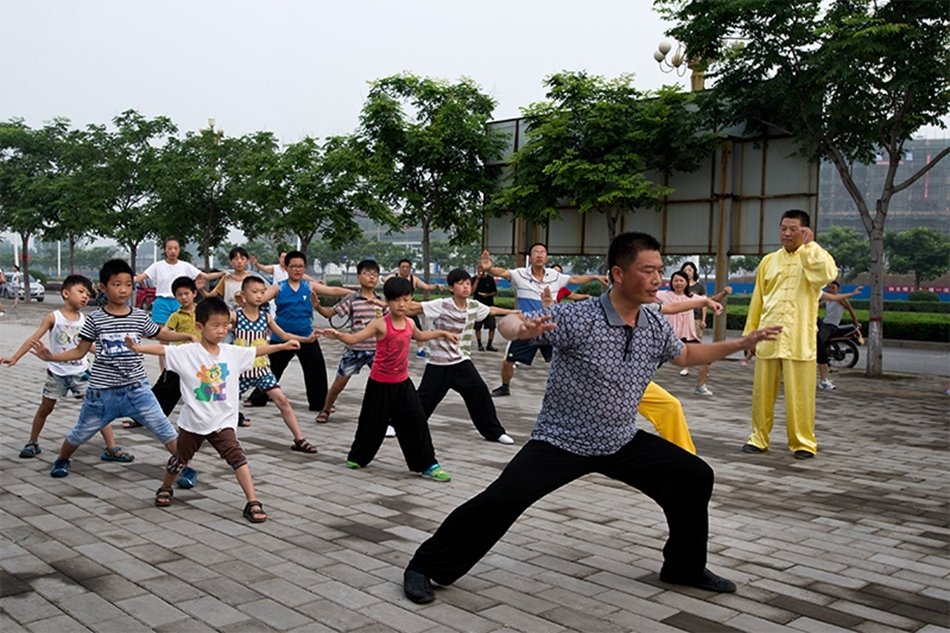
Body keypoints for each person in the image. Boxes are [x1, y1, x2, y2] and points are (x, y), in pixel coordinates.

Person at [402, 231, 781, 604]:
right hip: (561, 441)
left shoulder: (653, 325)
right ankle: (426, 566)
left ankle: (684, 566)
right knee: (500, 501)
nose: (658, 279)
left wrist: (740, 343)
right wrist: (522, 328)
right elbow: (509, 324)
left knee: (694, 476)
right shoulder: (579, 316)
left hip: (620, 440)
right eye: (647, 270)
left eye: (660, 270)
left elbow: (684, 355)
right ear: (618, 274)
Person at [125, 297, 302, 522]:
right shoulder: (188, 352)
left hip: (223, 422)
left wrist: (282, 346)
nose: (221, 330)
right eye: (215, 325)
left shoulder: (231, 352)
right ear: (200, 327)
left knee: (238, 457)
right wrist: (138, 348)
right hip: (194, 422)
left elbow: (255, 352)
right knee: (179, 460)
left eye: (225, 325)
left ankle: (252, 501)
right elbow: (163, 349)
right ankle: (166, 487)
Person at [32, 259, 196, 478]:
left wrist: (187, 336)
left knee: (164, 429)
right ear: (103, 287)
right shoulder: (95, 319)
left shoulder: (139, 316)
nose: (123, 290)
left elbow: (160, 333)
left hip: (137, 390)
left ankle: (185, 467)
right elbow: (79, 351)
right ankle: (62, 459)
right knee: (80, 433)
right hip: (102, 393)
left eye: (128, 284)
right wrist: (51, 357)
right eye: (116, 284)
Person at [320, 277, 458, 481]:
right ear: (387, 301)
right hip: (380, 384)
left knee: (417, 420)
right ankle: (358, 457)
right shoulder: (380, 324)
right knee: (371, 423)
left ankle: (428, 464)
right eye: (396, 300)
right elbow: (355, 338)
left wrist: (443, 333)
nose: (402, 304)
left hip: (403, 383)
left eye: (406, 300)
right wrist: (338, 335)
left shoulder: (410, 323)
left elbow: (420, 336)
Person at [1, 275, 133, 462]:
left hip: (81, 373)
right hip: (56, 374)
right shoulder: (53, 317)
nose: (85, 296)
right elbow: (33, 339)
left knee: (98, 409)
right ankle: (32, 442)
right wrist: (15, 357)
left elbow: (89, 346)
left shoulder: (85, 320)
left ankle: (111, 448)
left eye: (88, 294)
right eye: (81, 292)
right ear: (65, 293)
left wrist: (112, 357)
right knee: (45, 408)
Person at [742, 209, 837, 460]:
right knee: (762, 393)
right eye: (783, 228)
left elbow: (827, 274)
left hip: (799, 338)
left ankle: (803, 442)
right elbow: (758, 299)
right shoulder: (768, 261)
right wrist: (750, 335)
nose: (786, 233)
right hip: (768, 336)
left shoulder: (814, 257)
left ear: (805, 231)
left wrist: (810, 246)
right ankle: (758, 438)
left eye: (793, 229)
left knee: (801, 395)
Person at [409, 268, 518, 444]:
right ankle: (398, 425)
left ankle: (494, 432)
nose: (466, 287)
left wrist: (513, 312)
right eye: (461, 284)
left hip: (460, 361)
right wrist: (393, 306)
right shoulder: (441, 304)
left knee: (479, 391)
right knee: (424, 399)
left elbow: (491, 310)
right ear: (451, 288)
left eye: (468, 283)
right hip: (439, 363)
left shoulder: (473, 306)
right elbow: (415, 308)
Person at [482, 243, 607, 397]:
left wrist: (594, 277)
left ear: (547, 257)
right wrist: (489, 269)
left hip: (549, 327)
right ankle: (504, 387)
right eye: (536, 252)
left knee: (565, 360)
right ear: (530, 257)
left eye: (542, 252)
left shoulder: (555, 276)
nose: (539, 255)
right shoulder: (520, 274)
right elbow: (503, 273)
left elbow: (574, 279)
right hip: (527, 327)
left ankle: (574, 391)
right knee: (509, 361)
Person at [244, 250, 350, 412]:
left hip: (307, 335)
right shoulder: (278, 287)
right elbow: (260, 298)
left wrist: (357, 294)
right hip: (282, 337)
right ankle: (257, 398)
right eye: (293, 266)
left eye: (300, 266)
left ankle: (319, 403)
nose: (297, 269)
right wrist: (246, 297)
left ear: (304, 268)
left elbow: (333, 291)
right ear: (286, 268)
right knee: (270, 369)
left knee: (316, 369)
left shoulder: (309, 286)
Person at [232, 275, 320, 454]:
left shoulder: (266, 317)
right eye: (254, 292)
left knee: (282, 401)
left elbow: (284, 335)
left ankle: (299, 439)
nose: (259, 295)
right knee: (227, 407)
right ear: (243, 294)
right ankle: (225, 442)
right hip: (239, 372)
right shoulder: (236, 316)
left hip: (262, 370)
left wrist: (306, 339)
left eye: (262, 292)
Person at [312, 259, 386, 424]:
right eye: (367, 273)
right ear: (358, 277)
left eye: (375, 274)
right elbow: (330, 313)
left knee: (384, 384)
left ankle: (387, 415)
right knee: (339, 384)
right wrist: (317, 306)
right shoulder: (352, 299)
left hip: (377, 350)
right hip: (355, 349)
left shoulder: (381, 300)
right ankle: (326, 409)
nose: (371, 277)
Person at [657, 271, 715, 396]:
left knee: (706, 358)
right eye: (675, 280)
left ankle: (700, 386)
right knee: (652, 361)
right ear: (671, 282)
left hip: (687, 335)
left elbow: (709, 301)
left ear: (686, 283)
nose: (678, 283)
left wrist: (724, 293)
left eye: (681, 281)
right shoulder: (664, 295)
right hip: (668, 337)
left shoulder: (692, 297)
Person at [133, 237, 206, 327]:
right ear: (165, 250)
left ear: (179, 249)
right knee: (162, 332)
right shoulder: (157, 266)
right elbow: (140, 277)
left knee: (182, 330)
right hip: (162, 303)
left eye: (175, 248)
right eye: (170, 248)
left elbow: (205, 276)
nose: (173, 251)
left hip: (179, 302)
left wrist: (221, 274)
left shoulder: (185, 266)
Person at [385, 258, 443, 359]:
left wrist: (436, 286)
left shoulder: (413, 279)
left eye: (407, 267)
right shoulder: (392, 278)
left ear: (410, 268)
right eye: (403, 267)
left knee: (417, 328)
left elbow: (426, 287)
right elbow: (383, 284)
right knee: (390, 328)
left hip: (409, 308)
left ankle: (420, 349)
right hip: (394, 309)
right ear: (399, 268)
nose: (405, 269)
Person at [816, 281, 863, 391]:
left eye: (833, 287)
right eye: (829, 287)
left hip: (830, 326)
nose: (830, 289)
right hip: (824, 323)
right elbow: (818, 305)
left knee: (818, 345)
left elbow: (851, 310)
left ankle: (823, 375)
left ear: (838, 289)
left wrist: (856, 322)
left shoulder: (841, 299)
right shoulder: (828, 299)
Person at [472, 262, 498, 351]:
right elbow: (471, 291)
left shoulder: (490, 279)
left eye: (482, 268)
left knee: (492, 326)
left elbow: (495, 292)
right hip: (477, 306)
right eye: (479, 268)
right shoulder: (474, 279)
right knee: (477, 327)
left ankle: (489, 344)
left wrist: (488, 295)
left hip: (489, 305)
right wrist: (477, 279)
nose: (480, 270)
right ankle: (479, 344)